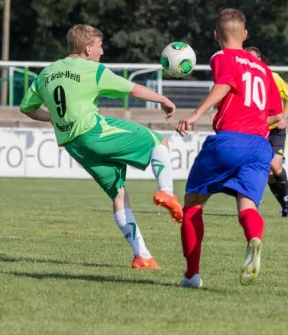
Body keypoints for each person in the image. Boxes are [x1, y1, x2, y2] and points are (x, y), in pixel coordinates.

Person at [20, 24, 183, 270]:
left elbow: (27, 108)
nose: (102, 51)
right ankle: (167, 191)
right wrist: (162, 99)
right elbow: (134, 89)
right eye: (99, 46)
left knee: (118, 194)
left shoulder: (47, 73)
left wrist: (53, 118)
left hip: (74, 145)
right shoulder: (92, 70)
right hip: (93, 132)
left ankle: (143, 256)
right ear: (87, 49)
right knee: (159, 142)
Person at [175, 8, 283, 288]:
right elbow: (276, 114)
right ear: (245, 35)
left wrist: (196, 113)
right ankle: (254, 239)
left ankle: (192, 275)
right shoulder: (264, 69)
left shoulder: (221, 57)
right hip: (260, 145)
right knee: (247, 207)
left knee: (192, 207)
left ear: (215, 36)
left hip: (229, 141)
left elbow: (225, 83)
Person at [245, 46, 288, 217]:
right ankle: (285, 203)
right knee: (267, 171)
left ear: (260, 60)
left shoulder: (273, 77)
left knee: (275, 166)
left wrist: (285, 117)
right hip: (258, 130)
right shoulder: (246, 80)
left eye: (254, 59)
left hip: (275, 129)